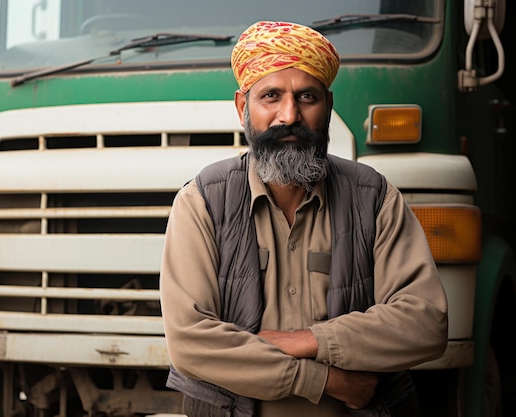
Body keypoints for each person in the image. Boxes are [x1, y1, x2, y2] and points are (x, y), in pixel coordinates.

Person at [159, 20, 448, 417]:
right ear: (243, 107)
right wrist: (324, 380)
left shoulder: (373, 196)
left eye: (306, 97)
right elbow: (190, 342)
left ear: (327, 106)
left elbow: (426, 322)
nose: (288, 115)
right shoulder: (203, 201)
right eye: (271, 96)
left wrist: (308, 340)